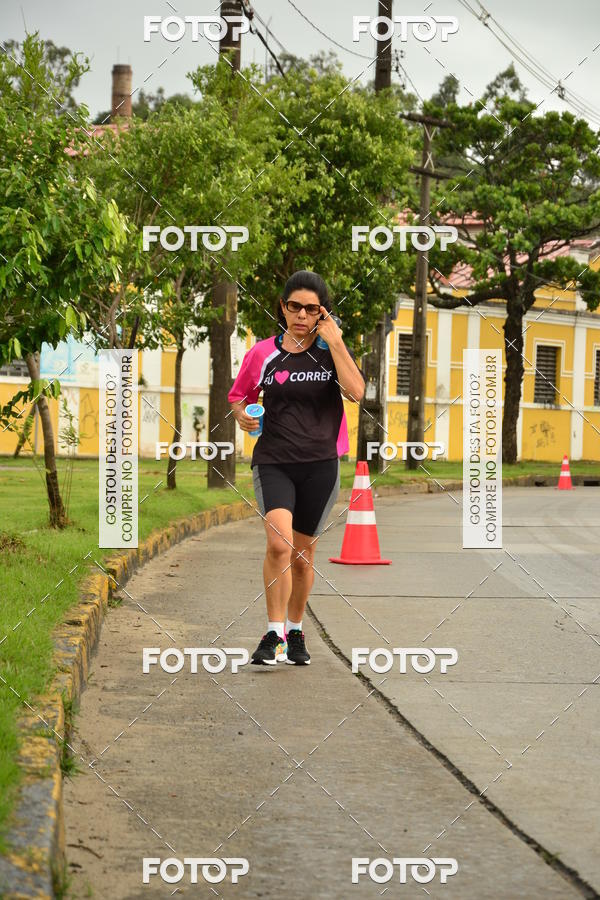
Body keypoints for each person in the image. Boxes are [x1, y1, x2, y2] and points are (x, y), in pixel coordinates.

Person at [228, 270, 365, 666]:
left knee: (303, 557)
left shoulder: (329, 351)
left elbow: (356, 392)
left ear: (322, 312)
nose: (301, 315)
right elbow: (239, 396)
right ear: (283, 308)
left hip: (320, 465)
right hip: (274, 461)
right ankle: (274, 635)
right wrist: (242, 416)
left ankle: (296, 629)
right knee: (278, 544)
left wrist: (335, 341)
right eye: (294, 306)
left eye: (311, 308)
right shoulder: (262, 353)